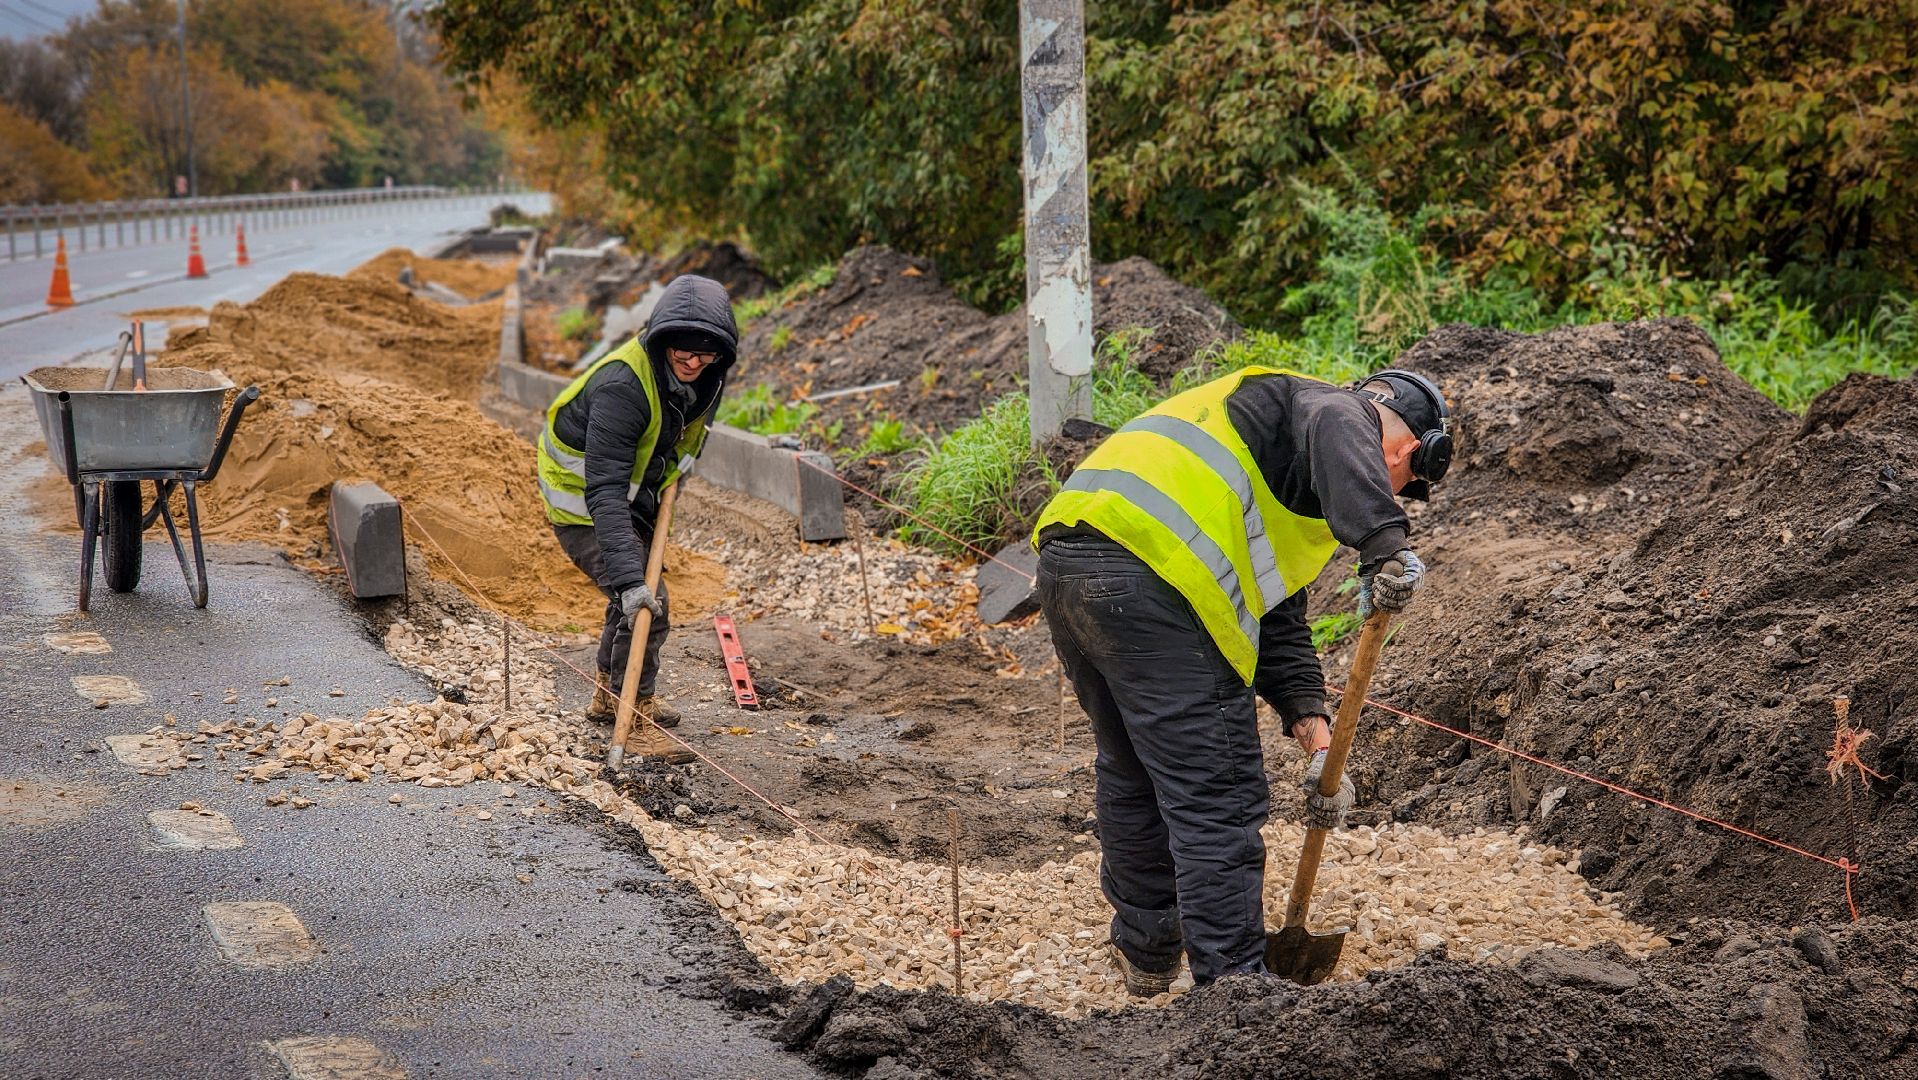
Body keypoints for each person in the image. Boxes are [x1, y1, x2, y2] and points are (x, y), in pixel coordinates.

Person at [1031, 365, 1453, 993]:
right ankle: (1234, 991)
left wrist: (1318, 746)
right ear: (1406, 450)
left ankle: (1147, 953)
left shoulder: (1268, 452)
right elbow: (1346, 419)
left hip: (1070, 565)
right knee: (1215, 795)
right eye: (1402, 484)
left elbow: (1278, 624)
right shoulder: (1331, 409)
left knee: (1132, 768)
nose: (1392, 492)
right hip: (1154, 577)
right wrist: (1384, 544)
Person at [536, 274, 738, 764]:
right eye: (682, 355)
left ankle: (609, 694)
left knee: (631, 598)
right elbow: (603, 489)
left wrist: (672, 476)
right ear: (662, 341)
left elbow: (683, 436)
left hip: (631, 497)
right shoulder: (622, 387)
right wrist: (629, 579)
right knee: (647, 601)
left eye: (704, 356)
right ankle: (636, 714)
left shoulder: (706, 373)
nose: (692, 364)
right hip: (582, 505)